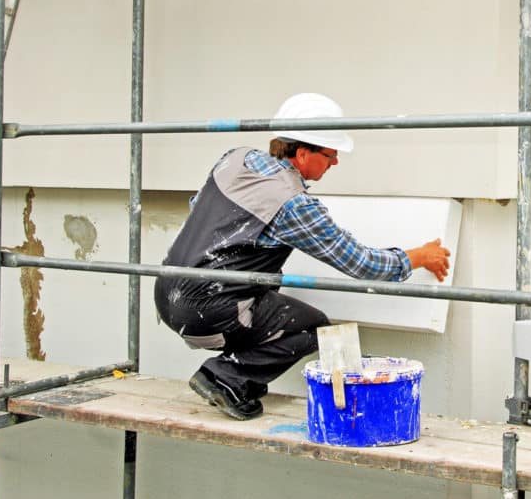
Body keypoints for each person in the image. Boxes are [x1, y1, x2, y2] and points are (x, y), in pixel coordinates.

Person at [154, 93, 451, 420]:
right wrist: (419, 256)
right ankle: (225, 377)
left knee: (266, 290)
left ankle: (239, 378)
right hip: (206, 312)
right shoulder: (293, 204)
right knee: (313, 329)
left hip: (167, 292)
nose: (335, 161)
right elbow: (361, 264)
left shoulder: (234, 159)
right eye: (331, 153)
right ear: (303, 152)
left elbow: (199, 208)